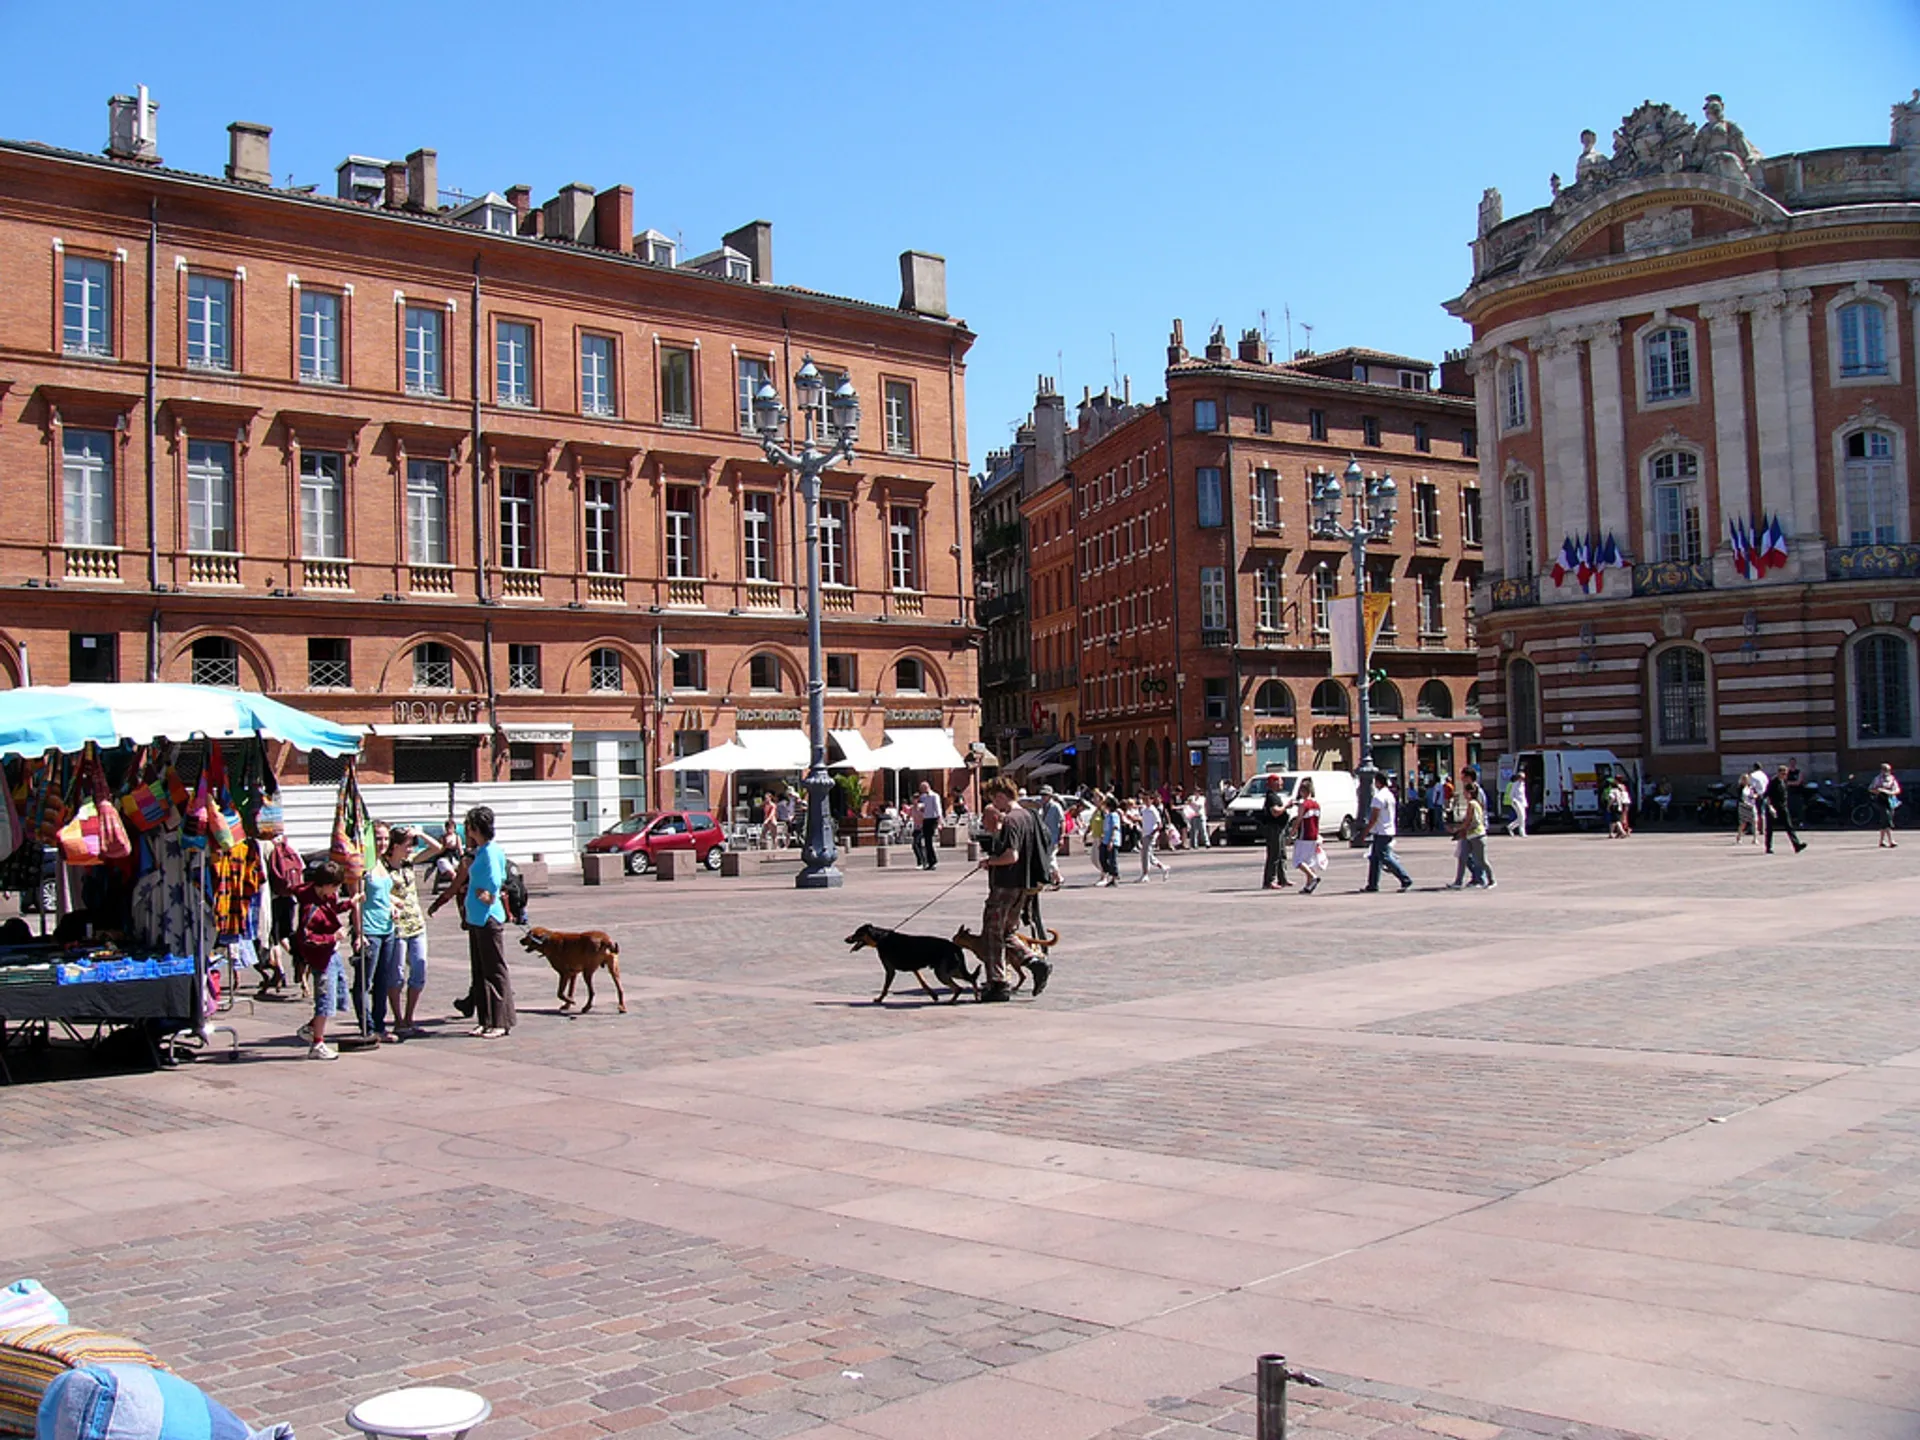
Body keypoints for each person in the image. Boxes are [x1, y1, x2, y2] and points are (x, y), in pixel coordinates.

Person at [975, 776, 1051, 1002]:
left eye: (993, 800)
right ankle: (1035, 963)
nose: (993, 806)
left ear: (1000, 796)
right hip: (1023, 886)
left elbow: (1011, 856)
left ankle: (997, 983)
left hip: (1006, 885)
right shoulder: (1029, 816)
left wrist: (990, 862)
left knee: (992, 933)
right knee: (1006, 932)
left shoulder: (1011, 820)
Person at [462, 806, 516, 1039]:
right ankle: (485, 1019)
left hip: (487, 917)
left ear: (475, 828)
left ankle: (501, 1021)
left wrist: (490, 895)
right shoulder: (481, 850)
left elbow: (496, 877)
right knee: (480, 970)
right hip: (475, 917)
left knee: (494, 970)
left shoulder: (491, 851)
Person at [291, 859, 352, 1061]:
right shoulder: (311, 908)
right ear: (325, 885)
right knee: (325, 999)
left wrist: (350, 903)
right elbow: (306, 938)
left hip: (330, 953)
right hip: (321, 958)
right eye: (335, 886)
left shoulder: (325, 897)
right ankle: (317, 1042)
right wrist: (332, 938)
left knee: (336, 994)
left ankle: (312, 1028)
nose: (337, 891)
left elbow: (332, 909)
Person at [385, 828, 430, 1038]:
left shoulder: (408, 862)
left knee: (419, 969)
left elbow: (437, 848)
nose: (410, 848)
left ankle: (410, 1016)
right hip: (397, 926)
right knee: (396, 974)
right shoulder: (383, 867)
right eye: (407, 844)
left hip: (416, 924)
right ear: (395, 846)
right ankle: (398, 1018)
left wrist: (420, 833)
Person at [360, 833, 400, 1042]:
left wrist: (392, 906)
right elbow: (356, 899)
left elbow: (381, 895)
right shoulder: (363, 867)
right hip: (369, 929)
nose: (382, 843)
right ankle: (367, 1026)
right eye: (378, 839)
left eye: (385, 839)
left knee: (382, 981)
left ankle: (379, 1025)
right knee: (364, 982)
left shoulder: (382, 864)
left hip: (387, 929)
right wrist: (358, 933)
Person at [1362, 771, 1413, 893]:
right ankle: (1372, 884)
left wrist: (1365, 831)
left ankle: (1405, 878)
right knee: (1375, 858)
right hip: (1389, 829)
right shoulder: (1390, 795)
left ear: (1378, 782)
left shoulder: (1378, 797)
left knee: (1385, 857)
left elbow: (1374, 817)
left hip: (1381, 831)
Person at [1453, 766, 1496, 888]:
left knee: (1477, 857)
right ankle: (1468, 879)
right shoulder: (1470, 791)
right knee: (1464, 855)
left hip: (1476, 828)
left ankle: (1480, 878)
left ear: (1469, 777)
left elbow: (1480, 810)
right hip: (1471, 828)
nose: (1461, 779)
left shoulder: (1477, 792)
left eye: (1463, 776)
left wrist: (1464, 826)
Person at [1292, 777, 1327, 893]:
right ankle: (1308, 886)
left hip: (1304, 835)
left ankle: (1313, 877)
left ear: (1303, 791)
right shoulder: (1316, 804)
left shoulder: (1304, 804)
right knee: (1308, 861)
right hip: (1314, 835)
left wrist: (1292, 832)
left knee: (1298, 860)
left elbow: (1298, 820)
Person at [1764, 764, 1807, 855]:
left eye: (1785, 774)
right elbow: (1767, 795)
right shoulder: (1773, 782)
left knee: (1789, 827)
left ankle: (1797, 845)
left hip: (1783, 807)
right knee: (1770, 828)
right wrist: (1770, 807)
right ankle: (1768, 847)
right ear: (1778, 773)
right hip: (1773, 808)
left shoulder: (1784, 781)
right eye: (1783, 774)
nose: (1784, 775)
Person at [1259, 779, 1291, 890]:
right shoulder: (1271, 797)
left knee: (1282, 854)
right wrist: (1286, 806)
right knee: (1274, 854)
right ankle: (1269, 881)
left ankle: (1283, 879)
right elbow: (1275, 812)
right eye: (1280, 782)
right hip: (1273, 829)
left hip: (1280, 828)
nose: (1282, 784)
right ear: (1274, 783)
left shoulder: (1275, 795)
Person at [1137, 794, 1170, 881]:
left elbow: (1159, 824)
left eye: (1148, 800)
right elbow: (1142, 820)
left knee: (1145, 855)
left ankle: (1145, 874)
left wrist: (1153, 833)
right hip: (1144, 834)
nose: (1146, 801)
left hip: (1150, 835)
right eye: (1144, 800)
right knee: (1149, 856)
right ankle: (1164, 867)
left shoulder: (1153, 810)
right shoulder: (1144, 810)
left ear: (1152, 800)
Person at [1037, 786, 1065, 886]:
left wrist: (1062, 836)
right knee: (1048, 858)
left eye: (1045, 795)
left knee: (1050, 858)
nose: (1043, 797)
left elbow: (1062, 821)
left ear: (1050, 796)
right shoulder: (1041, 807)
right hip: (1044, 837)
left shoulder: (1056, 807)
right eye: (1042, 795)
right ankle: (1054, 879)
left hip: (1053, 837)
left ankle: (1058, 878)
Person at [1868, 763, 1902, 847]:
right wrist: (1878, 790)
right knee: (1887, 819)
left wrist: (1891, 792)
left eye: (1888, 770)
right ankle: (1891, 841)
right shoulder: (1877, 779)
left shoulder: (1892, 779)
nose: (1886, 772)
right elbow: (1871, 788)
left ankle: (1881, 841)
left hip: (1890, 800)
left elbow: (1897, 789)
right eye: (1884, 770)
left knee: (1886, 820)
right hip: (1881, 800)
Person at [915, 780, 943, 870]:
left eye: (922, 788)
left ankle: (932, 861)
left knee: (929, 840)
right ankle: (930, 861)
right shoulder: (923, 797)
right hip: (926, 819)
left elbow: (938, 808)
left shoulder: (934, 796)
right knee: (926, 841)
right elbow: (921, 808)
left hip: (933, 819)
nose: (921, 790)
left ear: (927, 787)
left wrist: (939, 821)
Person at [1096, 794, 1122, 887]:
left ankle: (1114, 877)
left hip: (1112, 840)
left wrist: (1111, 840)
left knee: (1112, 859)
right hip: (1105, 840)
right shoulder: (1107, 816)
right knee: (1102, 857)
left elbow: (1115, 828)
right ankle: (1109, 872)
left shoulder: (1114, 815)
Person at [1504, 773, 1529, 839]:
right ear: (1519, 778)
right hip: (1516, 803)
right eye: (1522, 778)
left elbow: (1523, 795)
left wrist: (1525, 803)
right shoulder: (1515, 784)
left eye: (1524, 778)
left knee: (1523, 818)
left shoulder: (1523, 785)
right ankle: (1522, 832)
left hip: (1522, 802)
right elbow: (1511, 794)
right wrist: (1514, 801)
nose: (1523, 779)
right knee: (1521, 817)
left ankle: (1510, 827)